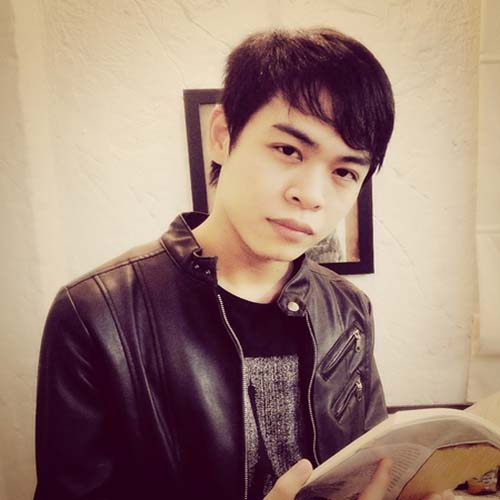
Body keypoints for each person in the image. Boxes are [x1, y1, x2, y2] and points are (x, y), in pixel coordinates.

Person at [34, 27, 450, 500]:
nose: (311, 195)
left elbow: (370, 461)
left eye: (344, 171)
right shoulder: (95, 314)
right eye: (288, 150)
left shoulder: (348, 308)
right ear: (222, 136)